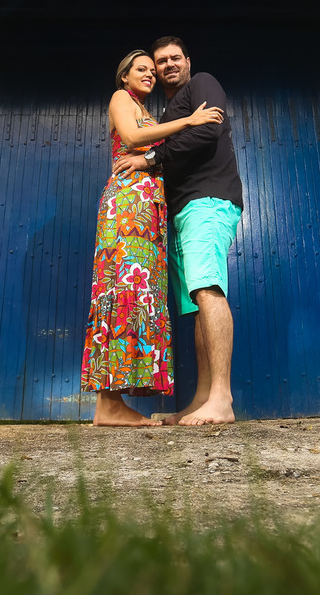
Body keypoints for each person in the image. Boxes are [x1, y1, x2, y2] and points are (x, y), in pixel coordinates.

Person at [81, 49, 224, 427]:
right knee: (120, 291)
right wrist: (188, 121)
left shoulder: (148, 111)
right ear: (124, 77)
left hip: (148, 212)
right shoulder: (121, 98)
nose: (148, 74)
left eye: (151, 70)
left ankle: (111, 405)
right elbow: (131, 137)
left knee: (139, 296)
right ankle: (108, 404)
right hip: (128, 206)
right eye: (140, 69)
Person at [112, 37, 243, 426]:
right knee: (196, 302)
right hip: (182, 210)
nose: (167, 65)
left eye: (174, 58)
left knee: (208, 288)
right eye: (160, 61)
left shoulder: (202, 83)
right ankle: (201, 400)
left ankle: (222, 398)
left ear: (187, 60)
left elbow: (207, 132)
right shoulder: (167, 113)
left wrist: (150, 158)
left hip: (208, 199)